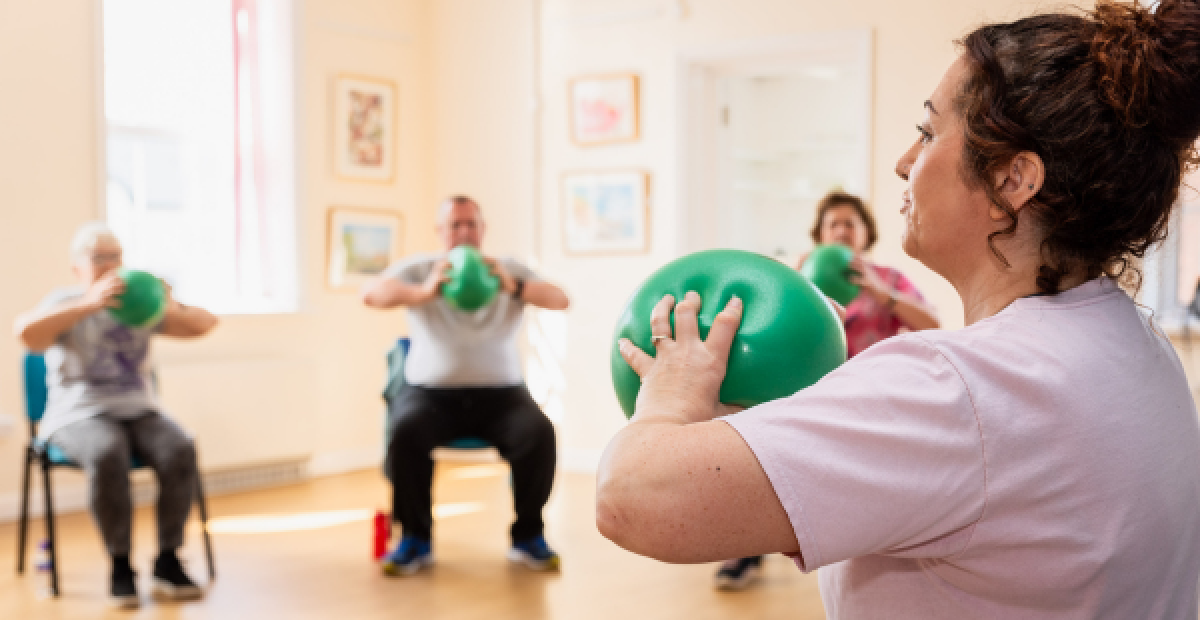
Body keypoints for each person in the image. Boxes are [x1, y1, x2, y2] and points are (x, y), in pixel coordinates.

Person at [599, 1, 1200, 617]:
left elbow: (631, 495)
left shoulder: (953, 388)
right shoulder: (1141, 349)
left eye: (929, 131)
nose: (904, 163)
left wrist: (673, 391)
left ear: (1010, 181)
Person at [715, 192, 941, 590]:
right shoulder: (800, 276)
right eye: (832, 223)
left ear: (864, 234)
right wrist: (798, 284)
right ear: (819, 234)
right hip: (809, 392)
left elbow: (933, 324)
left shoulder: (887, 278)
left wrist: (878, 291)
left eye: (850, 223)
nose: (841, 230)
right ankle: (746, 549)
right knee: (765, 462)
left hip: (871, 399)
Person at [13, 223, 219, 609]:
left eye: (116, 257)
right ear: (78, 268)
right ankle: (120, 566)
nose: (110, 266)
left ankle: (168, 560)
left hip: (140, 410)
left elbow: (206, 325)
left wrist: (168, 303)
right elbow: (27, 335)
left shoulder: (138, 304)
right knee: (108, 453)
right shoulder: (66, 300)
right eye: (99, 258)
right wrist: (89, 304)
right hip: (76, 415)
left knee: (179, 447)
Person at [362, 195, 570, 576]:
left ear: (482, 230)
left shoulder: (506, 269)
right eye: (455, 225)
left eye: (470, 224)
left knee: (539, 433)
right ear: (440, 232)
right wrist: (423, 292)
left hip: (503, 397)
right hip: (430, 396)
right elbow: (372, 295)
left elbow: (560, 299)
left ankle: (528, 537)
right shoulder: (421, 268)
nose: (463, 232)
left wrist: (514, 287)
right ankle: (415, 539)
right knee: (404, 431)